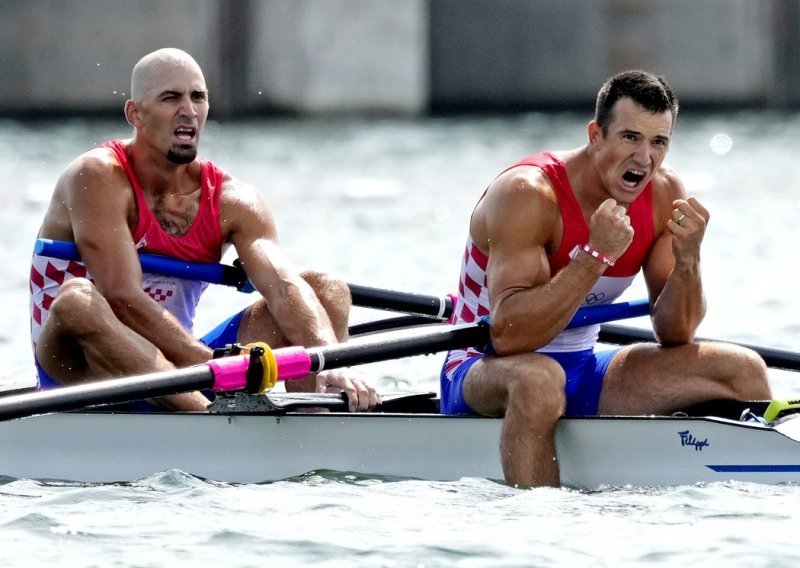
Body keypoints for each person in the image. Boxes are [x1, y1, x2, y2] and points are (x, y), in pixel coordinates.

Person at [440, 70, 771, 487]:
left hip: (583, 369)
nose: (644, 159)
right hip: (482, 366)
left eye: (658, 142)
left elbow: (674, 332)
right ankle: (538, 524)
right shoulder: (527, 195)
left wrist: (688, 263)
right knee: (539, 380)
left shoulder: (665, 194)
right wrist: (594, 256)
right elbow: (508, 336)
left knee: (742, 370)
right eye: (630, 137)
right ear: (596, 135)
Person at [29, 48, 378, 412]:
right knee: (77, 299)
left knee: (326, 290)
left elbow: (282, 286)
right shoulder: (97, 177)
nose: (188, 110)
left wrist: (332, 360)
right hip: (81, 371)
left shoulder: (235, 200)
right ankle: (209, 420)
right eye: (171, 97)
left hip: (182, 368)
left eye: (198, 96)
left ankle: (316, 422)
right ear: (135, 114)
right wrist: (216, 363)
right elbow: (121, 297)